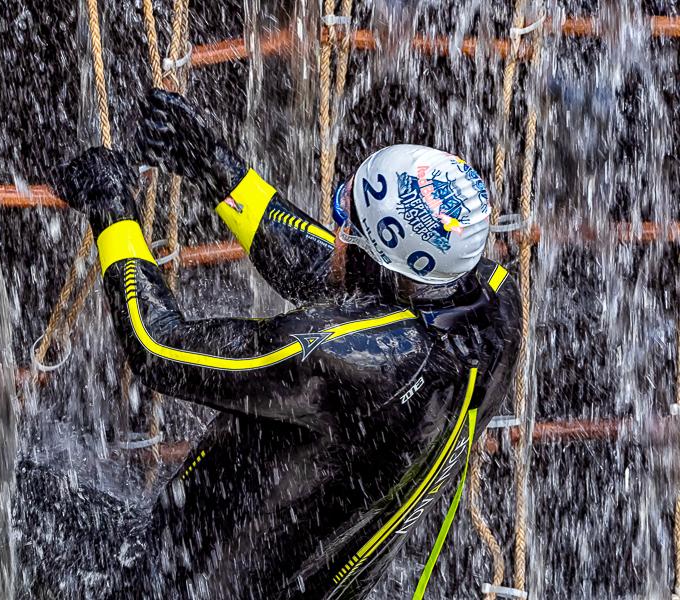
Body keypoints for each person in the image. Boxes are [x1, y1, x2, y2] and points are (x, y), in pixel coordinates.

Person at [30, 89, 522, 600]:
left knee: (10, 504)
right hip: (294, 580)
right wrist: (213, 165)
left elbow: (157, 348)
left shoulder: (340, 358)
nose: (335, 232)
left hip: (183, 586)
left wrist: (112, 210)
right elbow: (328, 269)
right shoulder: (494, 304)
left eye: (345, 222)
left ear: (378, 260)